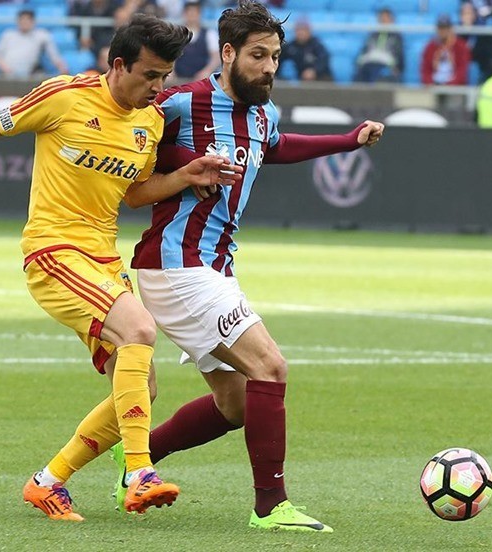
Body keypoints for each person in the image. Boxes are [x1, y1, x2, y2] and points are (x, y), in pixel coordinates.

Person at [0, 14, 241, 522]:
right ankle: (139, 472)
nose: (157, 87)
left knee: (140, 388)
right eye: (150, 75)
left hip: (102, 260)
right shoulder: (65, 96)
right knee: (140, 330)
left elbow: (133, 195)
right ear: (118, 64)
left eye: (165, 76)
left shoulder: (147, 123)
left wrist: (186, 175)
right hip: (54, 252)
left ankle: (48, 481)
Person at [110, 0, 382, 532]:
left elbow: (276, 147)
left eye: (275, 57)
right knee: (270, 367)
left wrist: (347, 140)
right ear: (228, 52)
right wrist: (185, 166)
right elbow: (132, 152)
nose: (269, 67)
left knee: (235, 405)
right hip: (177, 265)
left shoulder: (263, 114)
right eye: (258, 55)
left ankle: (138, 459)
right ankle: (271, 507)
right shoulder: (179, 103)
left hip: (213, 268)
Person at [0, 9, 68, 77]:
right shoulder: (8, 34)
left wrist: (62, 68)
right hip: (4, 69)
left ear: (33, 21)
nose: (24, 22)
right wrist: (5, 68)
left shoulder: (41, 35)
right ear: (18, 21)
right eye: (22, 20)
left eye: (27, 20)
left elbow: (54, 55)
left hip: (24, 71)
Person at [353, 7, 404, 83]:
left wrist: (397, 67)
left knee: (381, 74)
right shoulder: (372, 35)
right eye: (381, 19)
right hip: (370, 62)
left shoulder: (396, 36)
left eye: (386, 19)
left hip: (386, 64)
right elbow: (364, 51)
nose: (383, 21)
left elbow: (399, 56)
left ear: (392, 20)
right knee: (361, 73)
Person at [173, 1, 220, 80]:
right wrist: (171, 72)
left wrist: (207, 71)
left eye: (195, 12)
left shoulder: (209, 34)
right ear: (184, 14)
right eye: (189, 12)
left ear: (200, 14)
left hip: (201, 79)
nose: (192, 15)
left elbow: (216, 57)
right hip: (178, 78)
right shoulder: (176, 34)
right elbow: (171, 55)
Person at [421, 14, 471, 85]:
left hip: (454, 87)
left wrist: (449, 85)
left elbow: (462, 72)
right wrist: (431, 84)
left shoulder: (461, 47)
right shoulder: (430, 47)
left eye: (446, 28)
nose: (443, 31)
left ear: (451, 29)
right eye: (440, 28)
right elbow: (425, 71)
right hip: (434, 85)